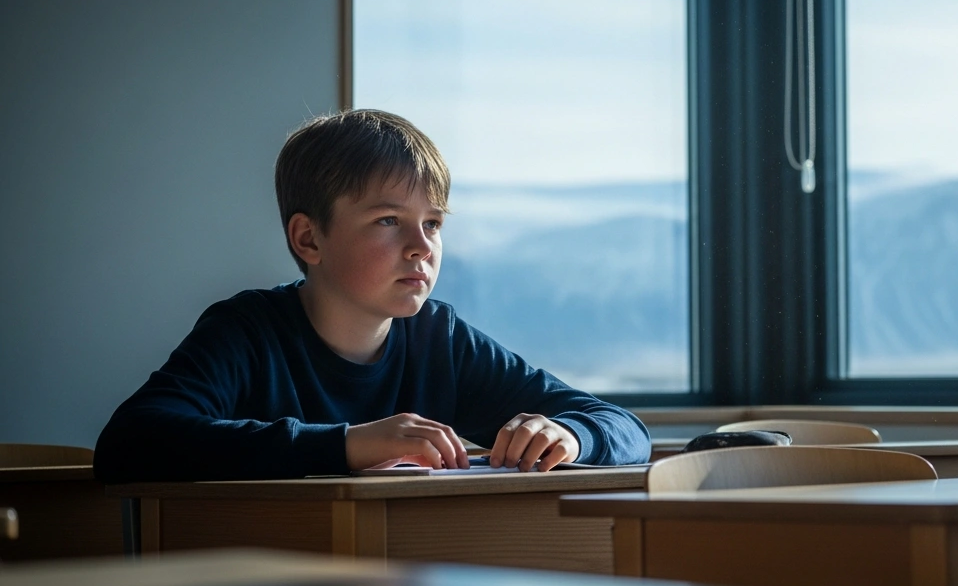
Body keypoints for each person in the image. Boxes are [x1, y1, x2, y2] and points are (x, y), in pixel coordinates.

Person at [94, 109, 650, 482]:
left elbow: (625, 429)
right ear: (309, 238)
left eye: (433, 223)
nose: (420, 247)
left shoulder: (440, 336)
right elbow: (131, 442)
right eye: (388, 220)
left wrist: (569, 436)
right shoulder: (247, 331)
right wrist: (346, 446)